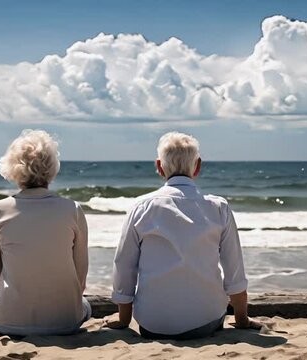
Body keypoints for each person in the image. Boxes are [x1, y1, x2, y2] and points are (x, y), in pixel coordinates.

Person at [104, 131, 261, 340]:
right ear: (197, 166)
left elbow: (124, 265)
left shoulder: (141, 207)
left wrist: (124, 319)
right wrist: (241, 319)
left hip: (153, 324)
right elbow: (234, 269)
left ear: (159, 167)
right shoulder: (218, 207)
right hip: (207, 320)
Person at [0, 129, 90, 336]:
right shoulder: (73, 209)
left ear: (13, 169)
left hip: (8, 322)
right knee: (86, 305)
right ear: (52, 168)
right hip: (65, 320)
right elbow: (80, 278)